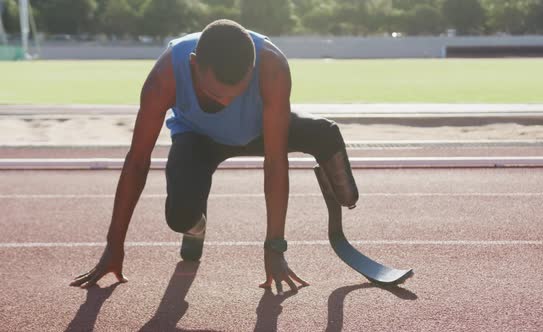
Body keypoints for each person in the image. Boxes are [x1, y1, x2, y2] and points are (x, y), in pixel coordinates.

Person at [70, 19, 358, 295]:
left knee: (325, 138)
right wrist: (114, 244)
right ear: (194, 64)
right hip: (199, 138)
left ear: (252, 67)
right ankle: (196, 227)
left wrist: (275, 246)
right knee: (179, 218)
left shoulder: (272, 66)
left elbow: (275, 163)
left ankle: (344, 193)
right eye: (214, 94)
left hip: (259, 130)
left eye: (237, 93)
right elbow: (137, 160)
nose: (227, 102)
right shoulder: (166, 75)